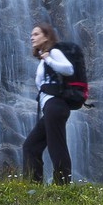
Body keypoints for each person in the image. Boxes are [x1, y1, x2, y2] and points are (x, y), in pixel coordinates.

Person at [21, 21, 74, 184]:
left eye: (36, 34)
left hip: (55, 106)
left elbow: (69, 69)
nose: (32, 37)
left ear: (46, 37)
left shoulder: (53, 53)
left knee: (56, 146)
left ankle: (62, 186)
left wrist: (49, 59)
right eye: (31, 35)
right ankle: (33, 185)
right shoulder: (44, 59)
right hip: (49, 108)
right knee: (30, 146)